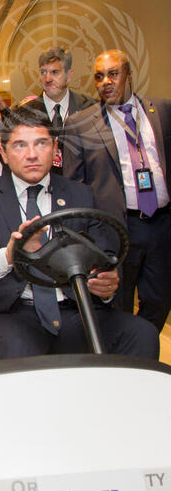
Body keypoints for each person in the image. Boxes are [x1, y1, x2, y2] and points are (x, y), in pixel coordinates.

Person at [0, 108, 158, 360]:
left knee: (141, 333)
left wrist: (106, 285)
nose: (32, 155)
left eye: (41, 143)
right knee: (18, 349)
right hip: (11, 312)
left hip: (74, 308)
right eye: (20, 145)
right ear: (3, 151)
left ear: (54, 147)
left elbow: (105, 256)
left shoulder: (80, 194)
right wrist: (11, 254)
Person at [64, 49, 171, 333]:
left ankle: (142, 347)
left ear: (129, 76)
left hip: (162, 223)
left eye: (113, 74)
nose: (105, 82)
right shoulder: (81, 124)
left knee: (160, 298)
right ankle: (124, 354)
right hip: (115, 229)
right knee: (117, 302)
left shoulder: (161, 110)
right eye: (99, 77)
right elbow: (75, 187)